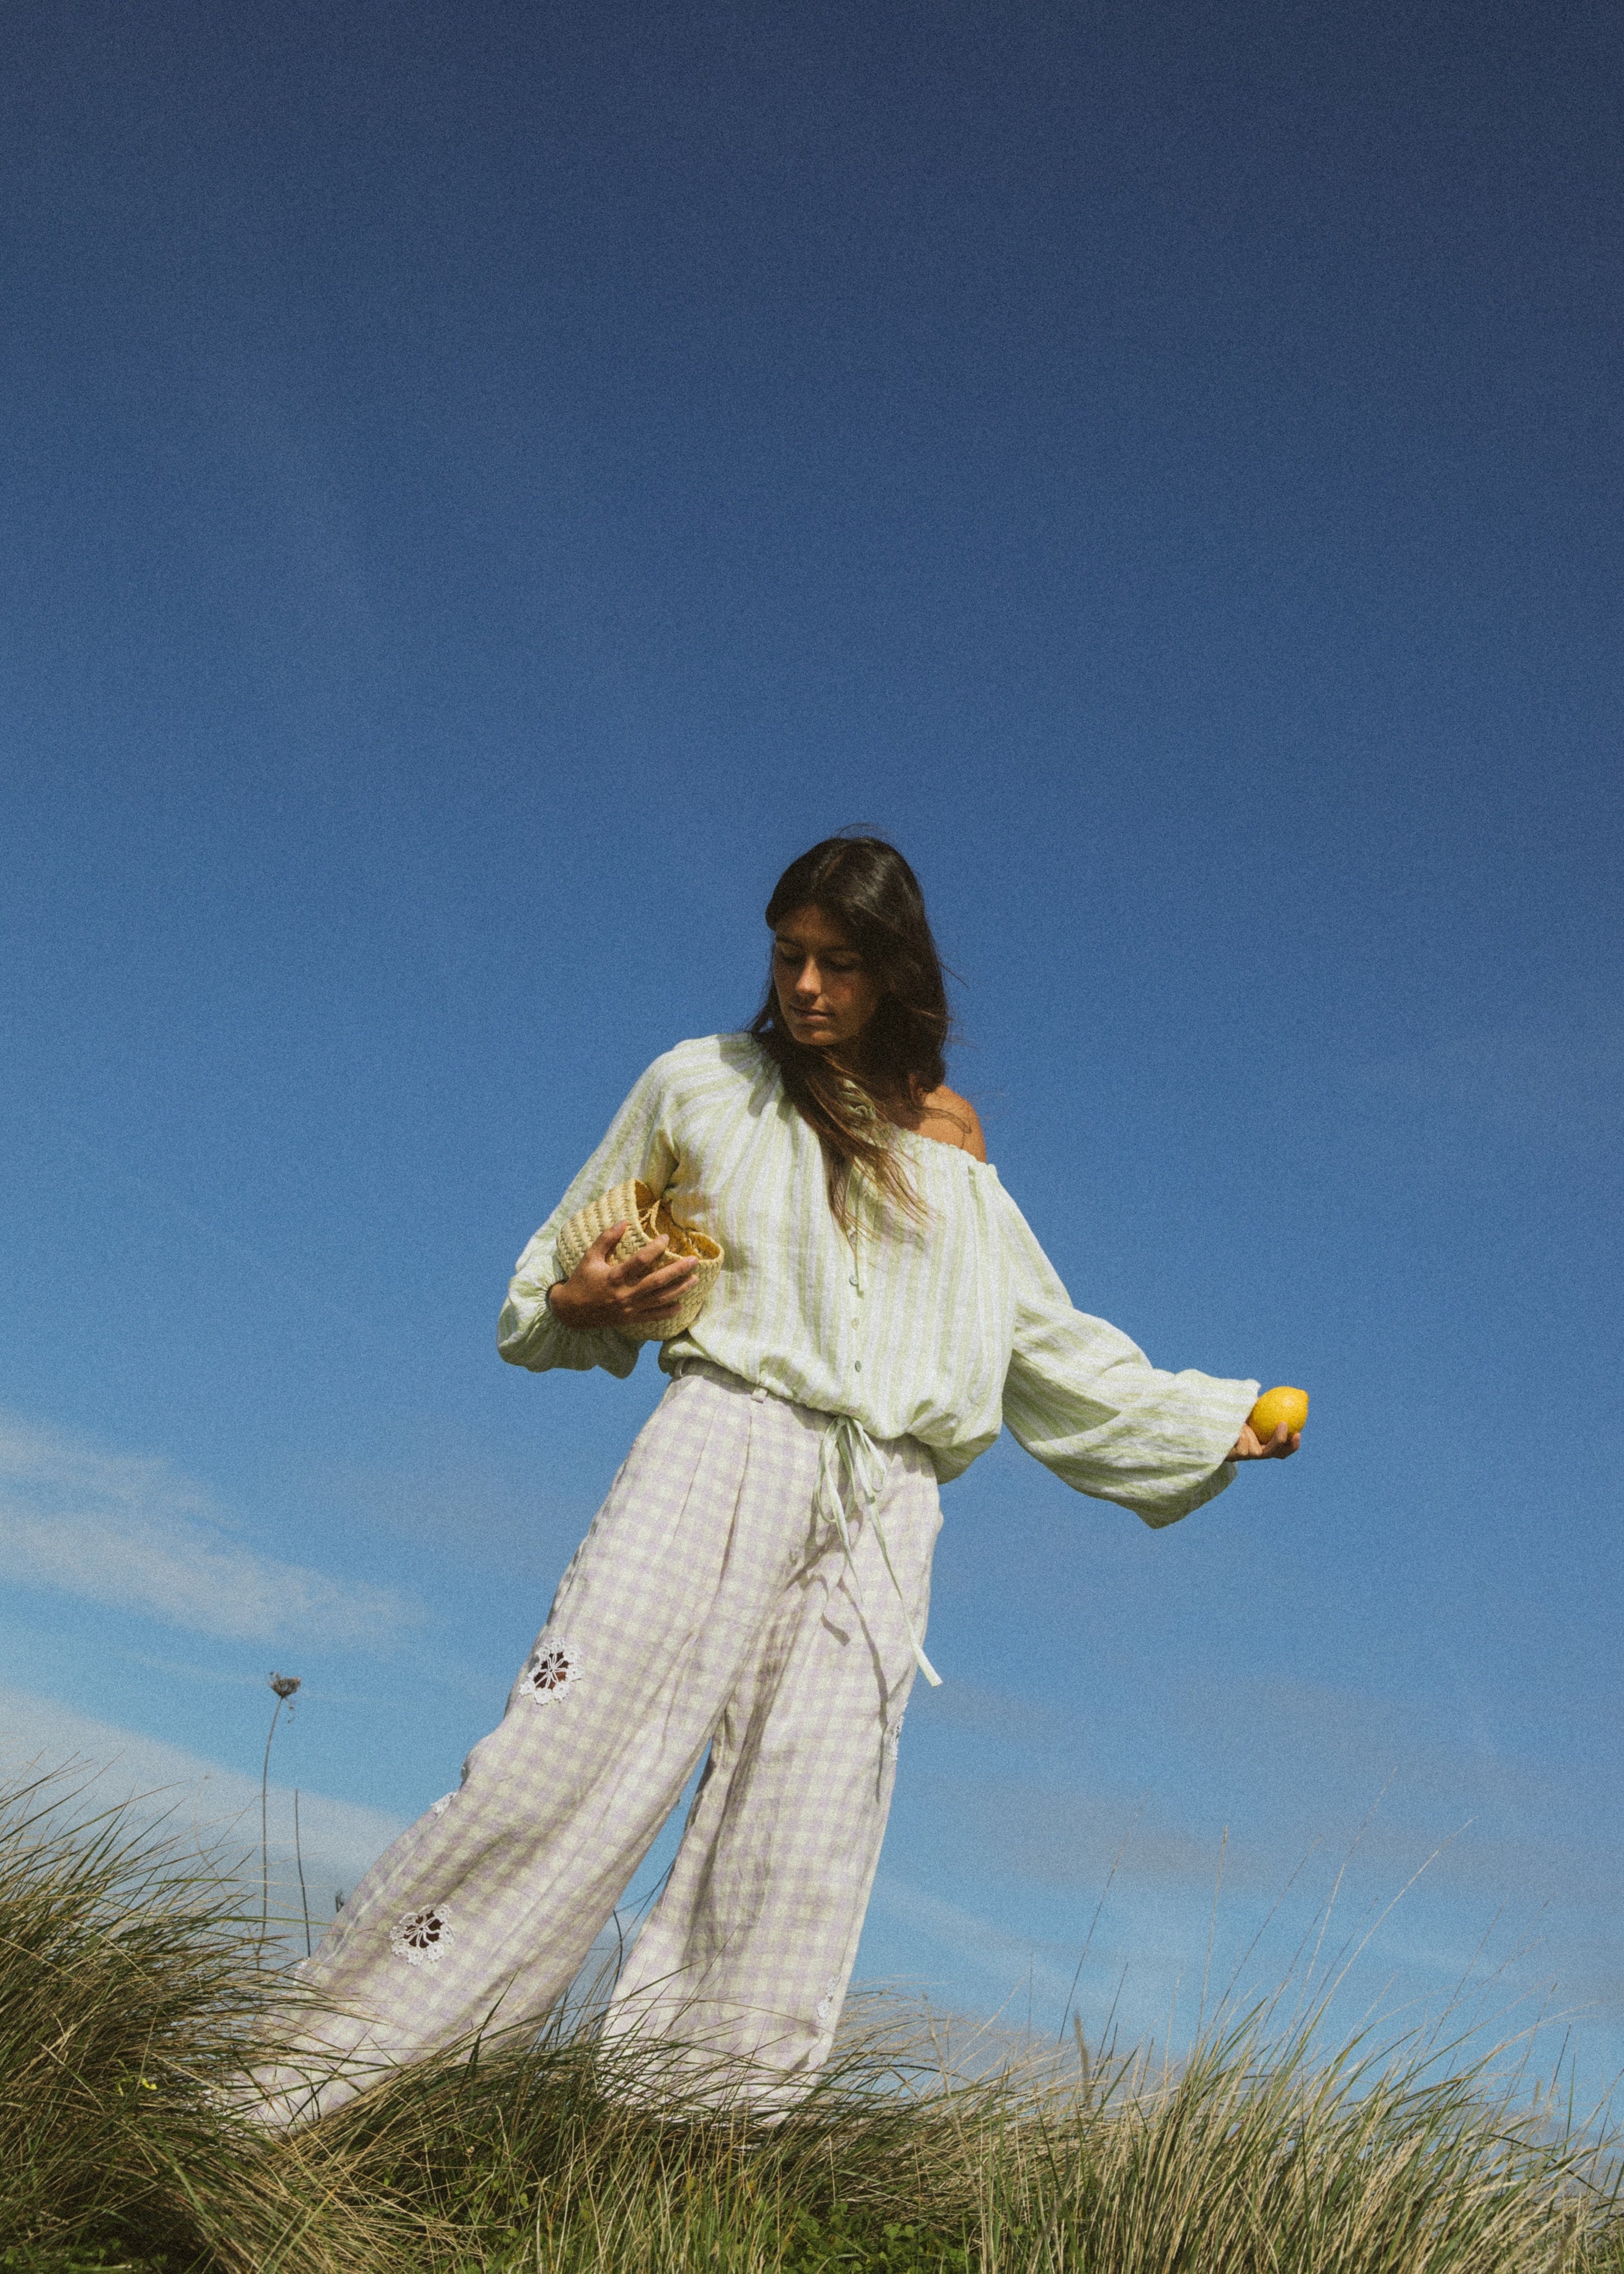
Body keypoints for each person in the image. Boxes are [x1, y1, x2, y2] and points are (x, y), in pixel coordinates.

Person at [249, 835, 1297, 2125]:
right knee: (554, 1762)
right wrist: (584, 1297)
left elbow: (1034, 1341)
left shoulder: (953, 1142)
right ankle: (335, 2072)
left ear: (892, 971)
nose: (805, 985)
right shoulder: (702, 1084)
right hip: (719, 1440)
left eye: (838, 963)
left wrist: (1201, 1421)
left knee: (795, 1843)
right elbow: (553, 1282)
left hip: (885, 1502)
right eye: (789, 955)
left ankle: (676, 2155)